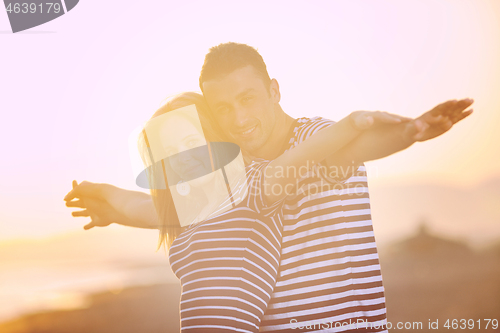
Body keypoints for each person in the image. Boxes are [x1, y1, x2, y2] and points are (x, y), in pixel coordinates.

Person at [64, 43, 473, 332]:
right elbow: (168, 208)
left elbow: (356, 148)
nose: (239, 118)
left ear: (274, 90)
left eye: (248, 98)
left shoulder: (318, 137)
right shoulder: (235, 171)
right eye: (223, 108)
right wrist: (112, 206)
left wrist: (411, 132)